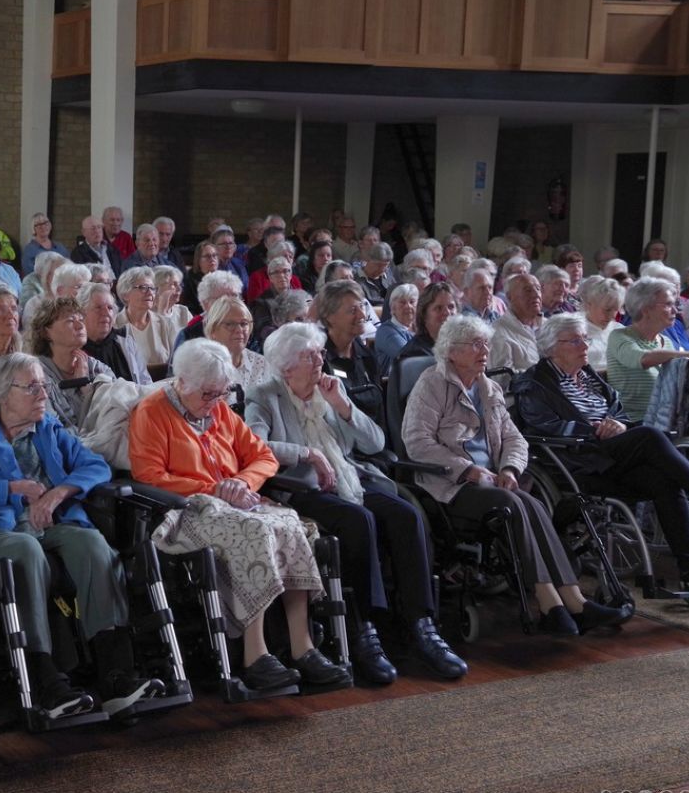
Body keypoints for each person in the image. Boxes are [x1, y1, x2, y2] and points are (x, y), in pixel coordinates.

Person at [0, 353, 163, 716]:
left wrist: (58, 493)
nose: (44, 394)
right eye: (32, 387)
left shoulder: (46, 425)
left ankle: (116, 674)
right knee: (26, 552)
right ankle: (45, 679)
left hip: (50, 521)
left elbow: (94, 465)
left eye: (44, 385)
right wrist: (8, 489)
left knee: (93, 545)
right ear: (3, 393)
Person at [248, 323, 468, 680]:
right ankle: (364, 628)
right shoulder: (264, 396)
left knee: (406, 514)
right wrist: (307, 454)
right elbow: (255, 445)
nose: (320, 360)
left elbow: (375, 443)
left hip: (349, 477)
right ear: (286, 367)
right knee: (358, 520)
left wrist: (343, 406)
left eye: (320, 353)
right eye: (309, 355)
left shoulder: (330, 390)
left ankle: (422, 625)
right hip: (302, 488)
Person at [129, 339, 350, 689]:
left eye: (221, 394)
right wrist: (214, 489)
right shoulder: (152, 412)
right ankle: (255, 654)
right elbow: (150, 476)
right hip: (184, 511)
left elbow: (263, 457)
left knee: (289, 524)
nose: (215, 402)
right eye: (207, 394)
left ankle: (302, 646)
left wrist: (241, 483)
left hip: (236, 503)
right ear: (182, 382)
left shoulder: (219, 411)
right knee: (253, 531)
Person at [402, 314, 632, 635]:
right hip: (450, 484)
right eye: (476, 345)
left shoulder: (489, 387)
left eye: (486, 344)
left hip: (494, 480)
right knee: (511, 505)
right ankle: (550, 603)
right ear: (451, 351)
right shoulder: (432, 384)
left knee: (533, 504)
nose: (485, 351)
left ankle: (573, 599)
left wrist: (510, 468)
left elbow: (515, 439)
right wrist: (467, 469)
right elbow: (417, 442)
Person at [515, 313, 689, 593]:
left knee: (665, 479)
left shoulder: (587, 376)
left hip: (610, 454)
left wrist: (618, 424)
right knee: (650, 435)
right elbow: (543, 426)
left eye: (585, 339)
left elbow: (617, 411)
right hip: (578, 460)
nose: (585, 346)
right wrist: (595, 428)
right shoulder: (534, 383)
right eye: (575, 341)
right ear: (552, 348)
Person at [607, 278, 689, 421]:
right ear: (646, 309)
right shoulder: (619, 336)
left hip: (667, 420)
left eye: (674, 304)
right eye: (668, 304)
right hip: (634, 421)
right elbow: (642, 359)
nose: (675, 310)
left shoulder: (665, 342)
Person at [29, 296, 115, 431]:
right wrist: (79, 385)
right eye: (70, 320)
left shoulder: (98, 368)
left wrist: (85, 388)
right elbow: (53, 431)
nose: (80, 326)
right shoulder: (35, 375)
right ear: (46, 332)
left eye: (81, 319)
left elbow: (115, 416)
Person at [315, 280, 383, 425]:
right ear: (329, 316)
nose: (362, 315)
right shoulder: (318, 360)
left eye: (362, 306)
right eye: (352, 310)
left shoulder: (367, 355)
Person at [79, 282, 149, 384]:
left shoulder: (126, 342)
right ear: (82, 313)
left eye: (110, 308)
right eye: (98, 307)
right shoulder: (75, 349)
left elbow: (146, 382)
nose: (106, 313)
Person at [114, 267, 178, 368]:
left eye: (152, 288)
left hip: (163, 378)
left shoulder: (165, 324)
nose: (150, 293)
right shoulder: (114, 325)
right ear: (126, 294)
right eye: (143, 287)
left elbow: (176, 361)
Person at [204, 295, 267, 394]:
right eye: (229, 324)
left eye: (244, 324)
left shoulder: (262, 364)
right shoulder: (200, 367)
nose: (239, 330)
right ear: (213, 330)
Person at [488, 272, 542, 376]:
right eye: (528, 290)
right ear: (509, 297)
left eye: (538, 289)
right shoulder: (498, 332)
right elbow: (501, 378)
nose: (536, 294)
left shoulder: (549, 325)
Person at [578, 275, 626, 373]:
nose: (611, 316)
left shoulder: (619, 330)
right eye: (607, 310)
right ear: (590, 304)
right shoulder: (574, 328)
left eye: (615, 310)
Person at [375, 283, 418, 378]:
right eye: (402, 302)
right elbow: (409, 357)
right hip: (393, 383)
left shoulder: (420, 327)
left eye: (412, 302)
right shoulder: (385, 331)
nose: (408, 306)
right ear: (393, 308)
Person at [179, 241, 220, 316]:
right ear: (198, 260)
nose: (212, 259)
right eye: (207, 256)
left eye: (214, 255)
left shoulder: (223, 277)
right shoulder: (190, 280)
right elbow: (190, 309)